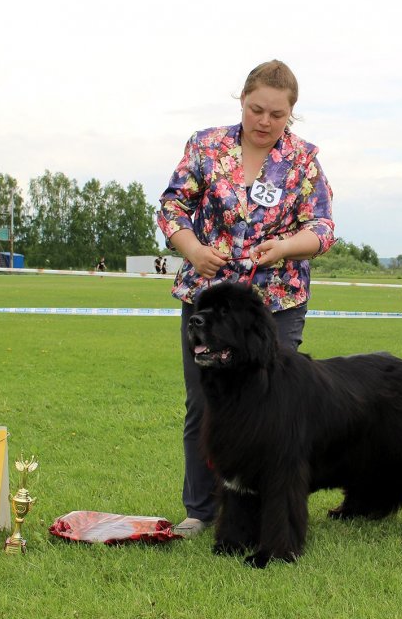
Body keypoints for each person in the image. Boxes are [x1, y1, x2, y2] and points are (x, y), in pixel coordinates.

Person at [157, 59, 335, 539]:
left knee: (276, 410)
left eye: (277, 115)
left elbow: (322, 228)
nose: (264, 122)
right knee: (204, 404)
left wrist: (285, 248)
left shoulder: (303, 161)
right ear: (242, 100)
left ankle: (270, 511)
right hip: (209, 300)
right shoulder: (206, 146)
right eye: (257, 109)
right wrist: (194, 250)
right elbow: (172, 205)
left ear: (290, 114)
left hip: (275, 304)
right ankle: (199, 510)